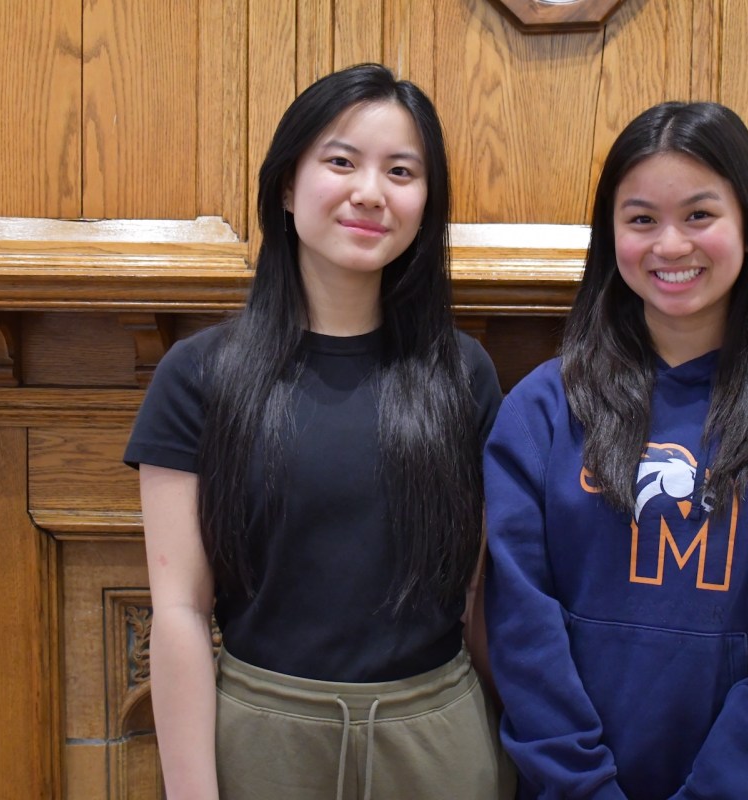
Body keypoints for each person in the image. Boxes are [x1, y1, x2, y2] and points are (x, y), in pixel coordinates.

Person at [125, 63, 513, 800]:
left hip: (439, 741)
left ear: (426, 203)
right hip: (261, 741)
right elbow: (178, 612)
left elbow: (482, 601)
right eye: (341, 161)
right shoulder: (198, 375)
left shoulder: (464, 375)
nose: (370, 192)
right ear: (286, 184)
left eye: (401, 171)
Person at [483, 101, 748, 799]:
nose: (670, 245)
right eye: (641, 220)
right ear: (611, 237)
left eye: (699, 215)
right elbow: (520, 626)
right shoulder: (540, 411)